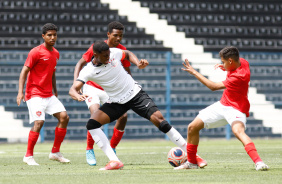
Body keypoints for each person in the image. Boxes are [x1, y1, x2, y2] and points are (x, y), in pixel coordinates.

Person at [69, 40, 207, 170]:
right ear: (95, 55)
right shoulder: (88, 71)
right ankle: (114, 160)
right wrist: (76, 95)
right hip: (117, 101)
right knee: (92, 124)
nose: (108, 57)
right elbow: (73, 89)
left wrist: (137, 63)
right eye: (105, 56)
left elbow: (127, 54)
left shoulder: (113, 53)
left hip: (135, 94)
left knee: (161, 121)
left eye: (108, 54)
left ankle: (193, 156)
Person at [174, 46, 269, 171]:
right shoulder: (243, 62)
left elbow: (213, 87)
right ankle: (191, 163)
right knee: (192, 127)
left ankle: (259, 162)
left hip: (237, 109)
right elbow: (231, 66)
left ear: (230, 61)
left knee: (238, 132)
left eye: (223, 62)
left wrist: (194, 72)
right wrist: (225, 67)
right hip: (223, 104)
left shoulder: (240, 76)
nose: (222, 64)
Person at [74, 21, 130, 166]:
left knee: (123, 116)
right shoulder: (98, 47)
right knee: (96, 115)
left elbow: (127, 71)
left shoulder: (121, 50)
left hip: (110, 89)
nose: (118, 39)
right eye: (116, 35)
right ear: (109, 34)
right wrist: (76, 84)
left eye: (121, 36)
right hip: (92, 87)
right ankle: (89, 149)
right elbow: (80, 63)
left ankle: (112, 148)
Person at [17, 23, 70, 166]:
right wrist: (20, 92)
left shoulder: (56, 53)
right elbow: (24, 72)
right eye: (49, 35)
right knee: (39, 122)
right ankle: (28, 156)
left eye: (55, 35)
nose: (53, 37)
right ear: (43, 36)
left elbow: (52, 72)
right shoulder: (35, 52)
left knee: (64, 117)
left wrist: (55, 90)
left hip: (48, 94)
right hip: (34, 93)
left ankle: (55, 152)